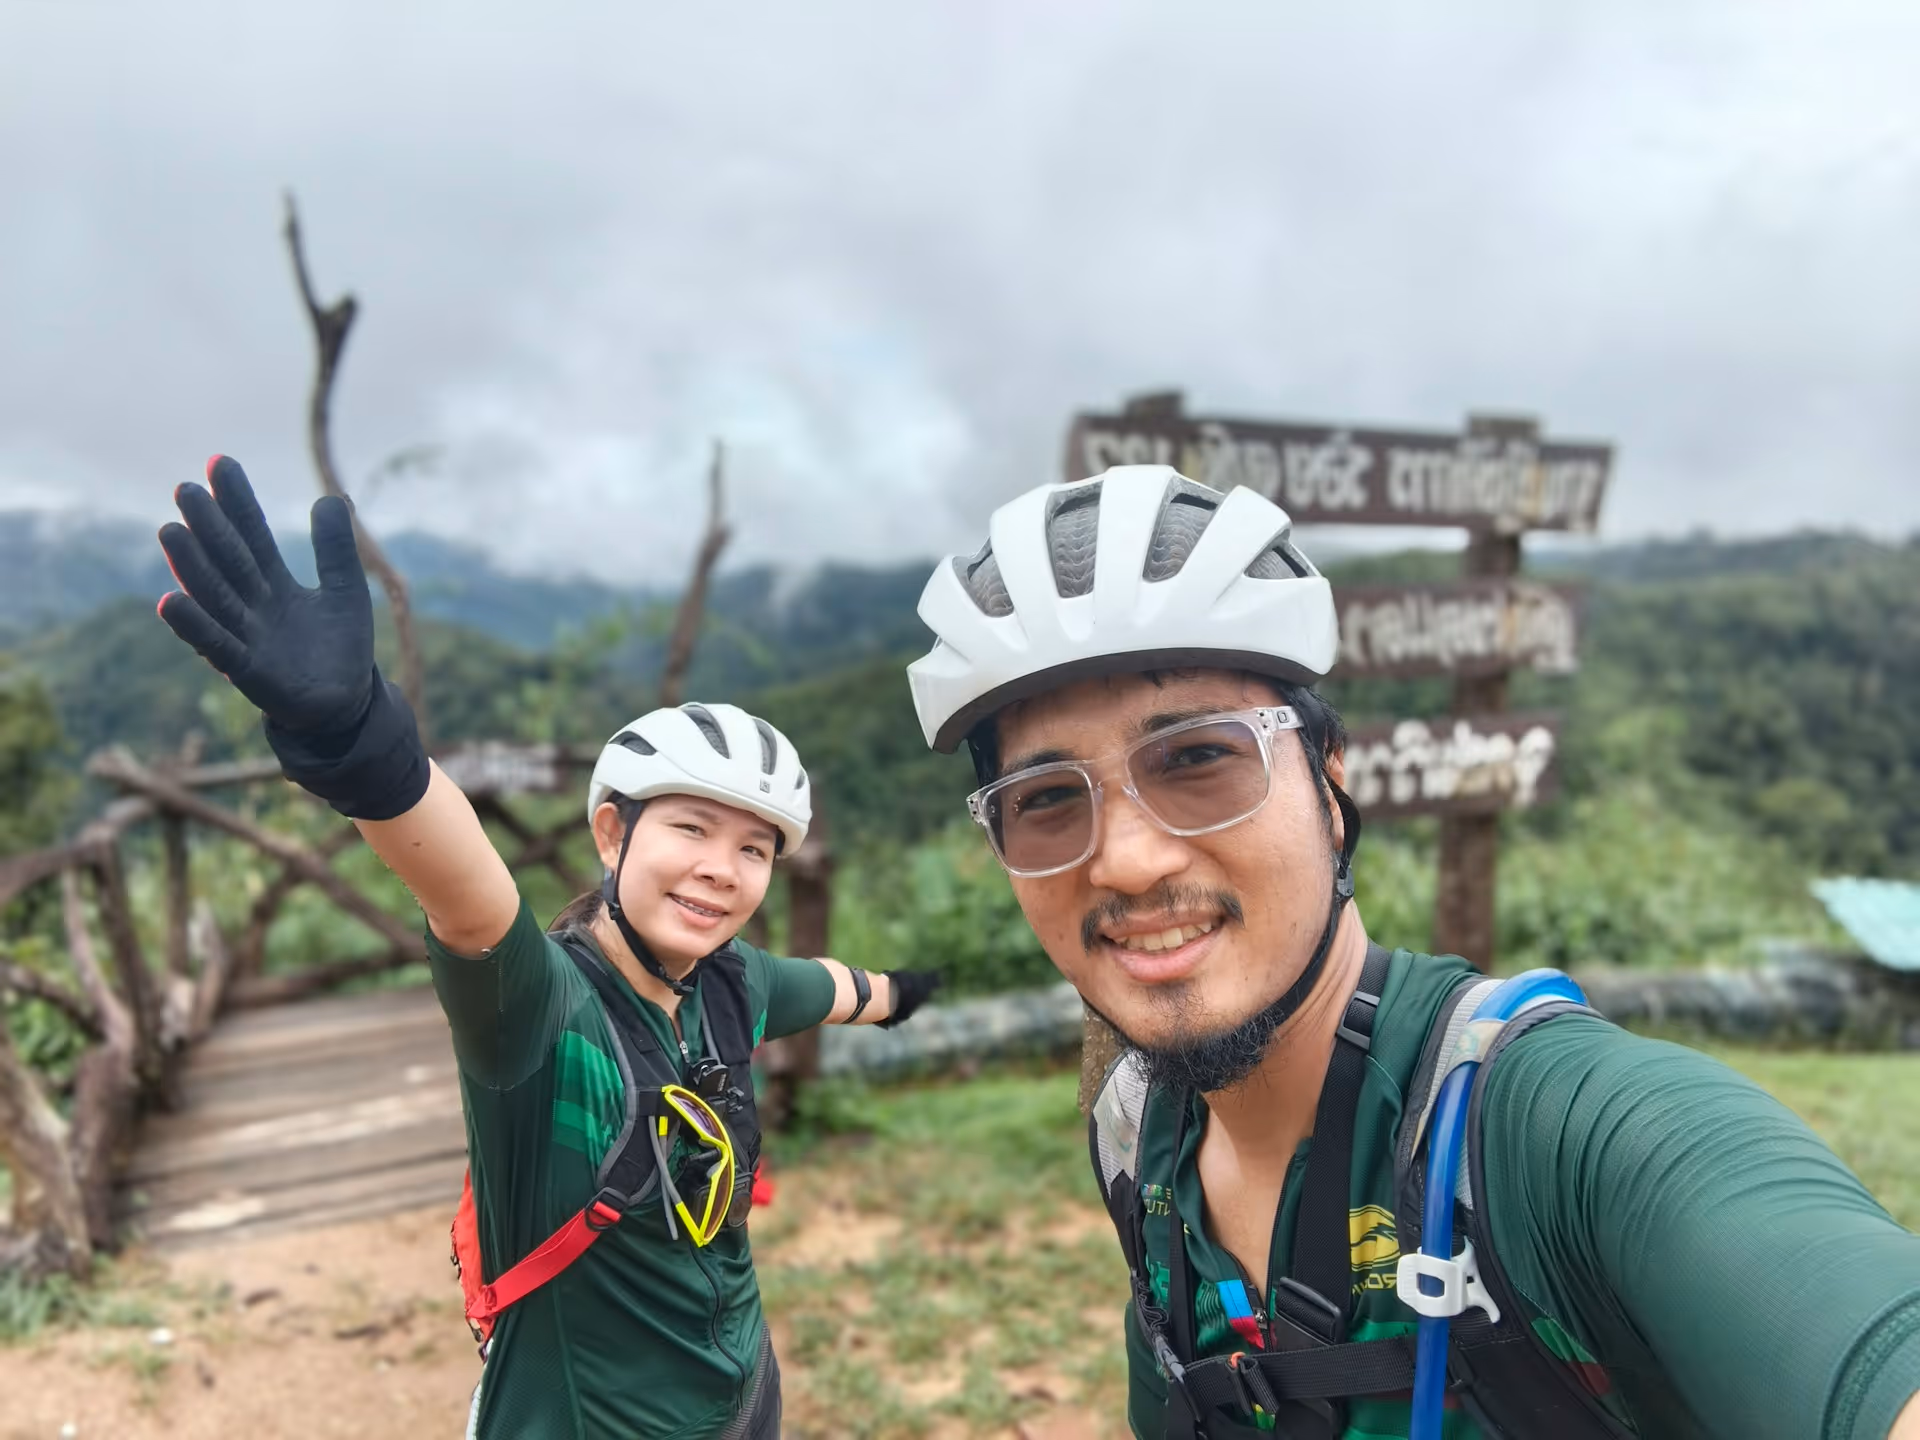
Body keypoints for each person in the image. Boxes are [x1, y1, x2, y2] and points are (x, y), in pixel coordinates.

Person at [906, 464, 1920, 1440]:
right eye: (1044, 802)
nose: (1125, 862)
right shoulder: (1138, 1134)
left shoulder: (1553, 1136)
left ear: (1331, 790)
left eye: (1200, 759)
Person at [154, 457, 941, 1440]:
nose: (722, 871)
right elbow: (473, 901)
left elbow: (831, 988)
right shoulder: (539, 1013)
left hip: (743, 1392)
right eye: (690, 830)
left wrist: (906, 991)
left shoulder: (730, 986)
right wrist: (362, 742)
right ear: (613, 835)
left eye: (754, 850)